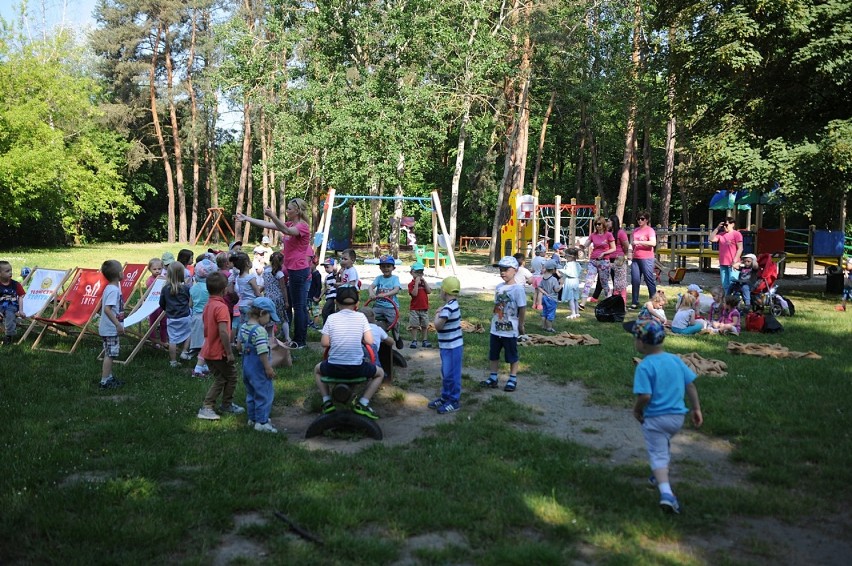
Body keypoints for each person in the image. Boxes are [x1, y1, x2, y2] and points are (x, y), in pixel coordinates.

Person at [629, 318, 703, 514]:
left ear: (641, 342)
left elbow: (645, 395)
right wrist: (696, 409)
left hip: (655, 418)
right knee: (663, 444)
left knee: (658, 454)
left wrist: (637, 410)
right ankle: (657, 475)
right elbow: (690, 385)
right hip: (677, 417)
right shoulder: (675, 360)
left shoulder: (644, 366)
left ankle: (667, 494)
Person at [237, 199, 312, 347]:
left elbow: (286, 231)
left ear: (297, 211)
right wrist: (247, 218)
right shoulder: (291, 224)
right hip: (292, 269)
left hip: (299, 269)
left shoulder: (302, 226)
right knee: (296, 305)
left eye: (289, 209)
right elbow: (268, 225)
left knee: (299, 306)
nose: (287, 211)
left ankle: (300, 341)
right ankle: (295, 337)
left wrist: (272, 215)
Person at [314, 286, 384, 420]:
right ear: (357, 304)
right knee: (379, 373)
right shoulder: (361, 317)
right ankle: (363, 403)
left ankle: (327, 401)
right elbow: (369, 341)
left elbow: (324, 343)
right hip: (356, 368)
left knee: (317, 369)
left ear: (336, 302)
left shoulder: (331, 318)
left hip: (333, 367)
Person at [197, 272, 244, 420]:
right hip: (219, 351)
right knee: (228, 377)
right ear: (224, 290)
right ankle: (208, 406)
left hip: (208, 348)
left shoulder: (209, 305)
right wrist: (229, 352)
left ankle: (226, 404)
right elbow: (223, 332)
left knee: (222, 377)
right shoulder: (221, 308)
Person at [480, 256, 526, 392]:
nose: (502, 272)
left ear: (515, 270)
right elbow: (497, 306)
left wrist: (521, 325)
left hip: (510, 330)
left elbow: (522, 308)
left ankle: (512, 378)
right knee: (493, 354)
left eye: (506, 269)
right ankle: (493, 378)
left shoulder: (518, 289)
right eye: (501, 269)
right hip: (496, 328)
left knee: (512, 355)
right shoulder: (499, 287)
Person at [237, 297, 280, 433]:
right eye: (269, 316)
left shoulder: (243, 326)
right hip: (259, 369)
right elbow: (262, 352)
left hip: (246, 367)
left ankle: (253, 418)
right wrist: (268, 368)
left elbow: (239, 346)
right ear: (262, 313)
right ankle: (261, 422)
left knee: (251, 393)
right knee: (264, 394)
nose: (269, 321)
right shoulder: (260, 331)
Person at [428, 276, 463, 414]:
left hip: (452, 347)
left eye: (441, 289)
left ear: (445, 291)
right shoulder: (452, 305)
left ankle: (454, 401)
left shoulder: (447, 309)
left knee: (451, 375)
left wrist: (437, 313)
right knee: (446, 373)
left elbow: (437, 326)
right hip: (448, 346)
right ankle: (445, 397)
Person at [159, 261, 192, 368]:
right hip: (185, 316)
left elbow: (161, 303)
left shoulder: (165, 289)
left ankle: (173, 362)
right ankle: (185, 351)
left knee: (172, 339)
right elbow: (189, 301)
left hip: (171, 318)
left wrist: (167, 310)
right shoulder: (186, 288)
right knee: (189, 333)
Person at [98, 260, 125, 389]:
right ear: (120, 274)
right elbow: (107, 309)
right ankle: (104, 381)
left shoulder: (110, 287)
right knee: (110, 354)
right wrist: (117, 325)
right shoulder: (113, 290)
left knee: (110, 353)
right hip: (110, 329)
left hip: (109, 328)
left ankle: (109, 376)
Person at [580, 216, 616, 310]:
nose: (597, 226)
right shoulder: (593, 235)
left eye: (599, 224)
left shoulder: (608, 235)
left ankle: (609, 303)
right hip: (593, 261)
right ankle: (582, 304)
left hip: (604, 261)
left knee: (604, 283)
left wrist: (604, 253)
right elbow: (586, 244)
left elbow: (613, 248)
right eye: (596, 224)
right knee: (588, 281)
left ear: (603, 224)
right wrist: (582, 247)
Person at [189, 259, 216, 378]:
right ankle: (198, 368)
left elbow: (190, 304)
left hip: (195, 316)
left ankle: (203, 365)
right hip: (207, 317)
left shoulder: (193, 288)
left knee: (201, 342)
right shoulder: (210, 289)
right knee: (207, 343)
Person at [369, 254, 403, 349]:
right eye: (383, 266)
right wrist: (371, 293)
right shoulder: (379, 278)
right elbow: (371, 287)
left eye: (388, 266)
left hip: (391, 307)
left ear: (393, 268)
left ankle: (397, 337)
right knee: (369, 317)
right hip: (378, 306)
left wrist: (385, 295)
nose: (386, 268)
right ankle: (372, 335)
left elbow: (396, 289)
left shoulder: (395, 279)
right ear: (380, 268)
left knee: (394, 323)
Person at [629, 210, 658, 309]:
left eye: (642, 219)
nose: (640, 221)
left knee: (649, 279)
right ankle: (634, 302)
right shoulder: (635, 230)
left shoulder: (650, 230)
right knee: (635, 280)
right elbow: (632, 243)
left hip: (647, 258)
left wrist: (639, 242)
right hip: (636, 258)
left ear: (646, 220)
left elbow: (653, 243)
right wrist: (630, 252)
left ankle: (654, 301)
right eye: (638, 219)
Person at [709, 216, 743, 294]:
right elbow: (711, 239)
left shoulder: (737, 234)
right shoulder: (721, 234)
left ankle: (735, 303)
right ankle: (727, 302)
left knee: (733, 284)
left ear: (732, 224)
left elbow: (740, 248)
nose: (725, 227)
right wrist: (717, 228)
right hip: (723, 263)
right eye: (723, 225)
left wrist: (735, 261)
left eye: (726, 225)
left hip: (733, 264)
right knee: (725, 285)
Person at [263, 251, 290, 343]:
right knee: (283, 318)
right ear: (282, 262)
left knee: (268, 319)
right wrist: (286, 301)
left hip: (267, 298)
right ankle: (287, 338)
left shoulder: (265, 271)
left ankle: (269, 339)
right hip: (277, 298)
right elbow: (283, 288)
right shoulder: (280, 274)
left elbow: (265, 285)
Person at [232, 252, 263, 329]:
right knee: (251, 325)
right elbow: (257, 293)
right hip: (250, 305)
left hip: (241, 304)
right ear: (247, 263)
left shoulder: (239, 277)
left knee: (242, 325)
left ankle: (241, 337)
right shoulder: (251, 278)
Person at [0, 260, 26, 346]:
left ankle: (9, 336)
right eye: (7, 271)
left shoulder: (15, 284)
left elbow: (21, 297)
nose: (10, 272)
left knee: (9, 313)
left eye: (11, 270)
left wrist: (21, 310)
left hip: (11, 306)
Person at [407, 261, 431, 348]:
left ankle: (425, 339)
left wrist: (424, 282)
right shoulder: (411, 284)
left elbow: (429, 291)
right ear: (411, 273)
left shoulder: (424, 283)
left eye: (421, 272)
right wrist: (416, 283)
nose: (419, 274)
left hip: (424, 307)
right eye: (416, 272)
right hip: (415, 308)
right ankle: (414, 340)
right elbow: (414, 294)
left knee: (425, 325)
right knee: (414, 325)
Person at [606, 214, 630, 303]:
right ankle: (614, 298)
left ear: (614, 222)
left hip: (618, 260)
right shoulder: (607, 232)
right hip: (608, 258)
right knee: (612, 279)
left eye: (609, 221)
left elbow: (626, 246)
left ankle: (620, 299)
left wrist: (624, 256)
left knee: (619, 279)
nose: (607, 222)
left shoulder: (620, 233)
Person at [145, 258, 168, 349]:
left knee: (164, 323)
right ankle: (153, 341)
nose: (157, 271)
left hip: (162, 304)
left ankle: (164, 341)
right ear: (150, 269)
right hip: (153, 304)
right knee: (153, 323)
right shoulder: (150, 280)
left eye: (159, 269)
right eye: (154, 269)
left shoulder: (164, 278)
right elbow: (151, 290)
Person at [539, 260, 562, 332]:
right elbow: (556, 290)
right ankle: (549, 328)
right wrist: (561, 284)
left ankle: (543, 326)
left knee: (544, 312)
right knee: (551, 313)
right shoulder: (554, 279)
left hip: (544, 297)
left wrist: (544, 293)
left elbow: (539, 287)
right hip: (552, 299)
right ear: (553, 269)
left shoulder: (543, 278)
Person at [560, 247, 582, 319]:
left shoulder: (569, 264)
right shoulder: (577, 264)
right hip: (576, 281)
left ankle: (573, 313)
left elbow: (568, 273)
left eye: (566, 256)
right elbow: (578, 272)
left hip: (570, 281)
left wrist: (560, 270)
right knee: (575, 298)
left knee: (571, 298)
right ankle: (577, 312)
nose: (566, 257)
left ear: (571, 257)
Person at [307, 253, 323, 329]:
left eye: (310, 264)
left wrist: (317, 296)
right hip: (308, 295)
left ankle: (315, 325)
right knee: (306, 309)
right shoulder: (309, 274)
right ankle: (309, 322)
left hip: (314, 296)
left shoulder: (317, 274)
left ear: (315, 264)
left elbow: (319, 286)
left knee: (315, 312)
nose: (309, 266)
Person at [321, 257, 338, 323]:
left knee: (325, 311)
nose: (326, 269)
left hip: (333, 297)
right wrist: (319, 297)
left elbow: (335, 269)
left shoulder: (334, 274)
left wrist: (335, 262)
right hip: (328, 297)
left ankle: (326, 326)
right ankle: (332, 327)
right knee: (331, 313)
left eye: (327, 267)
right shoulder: (327, 277)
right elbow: (325, 288)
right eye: (324, 267)